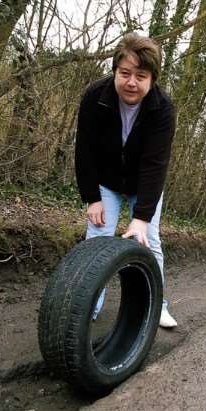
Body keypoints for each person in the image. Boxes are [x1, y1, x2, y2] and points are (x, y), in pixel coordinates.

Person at [75, 32, 177, 328]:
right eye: (125, 73)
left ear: (152, 79)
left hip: (143, 184)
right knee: (97, 238)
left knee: (150, 241)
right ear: (115, 71)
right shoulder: (95, 97)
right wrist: (92, 197)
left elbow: (155, 165)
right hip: (106, 180)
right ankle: (88, 306)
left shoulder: (163, 110)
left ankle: (156, 305)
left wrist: (141, 217)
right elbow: (84, 150)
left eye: (141, 76)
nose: (131, 82)